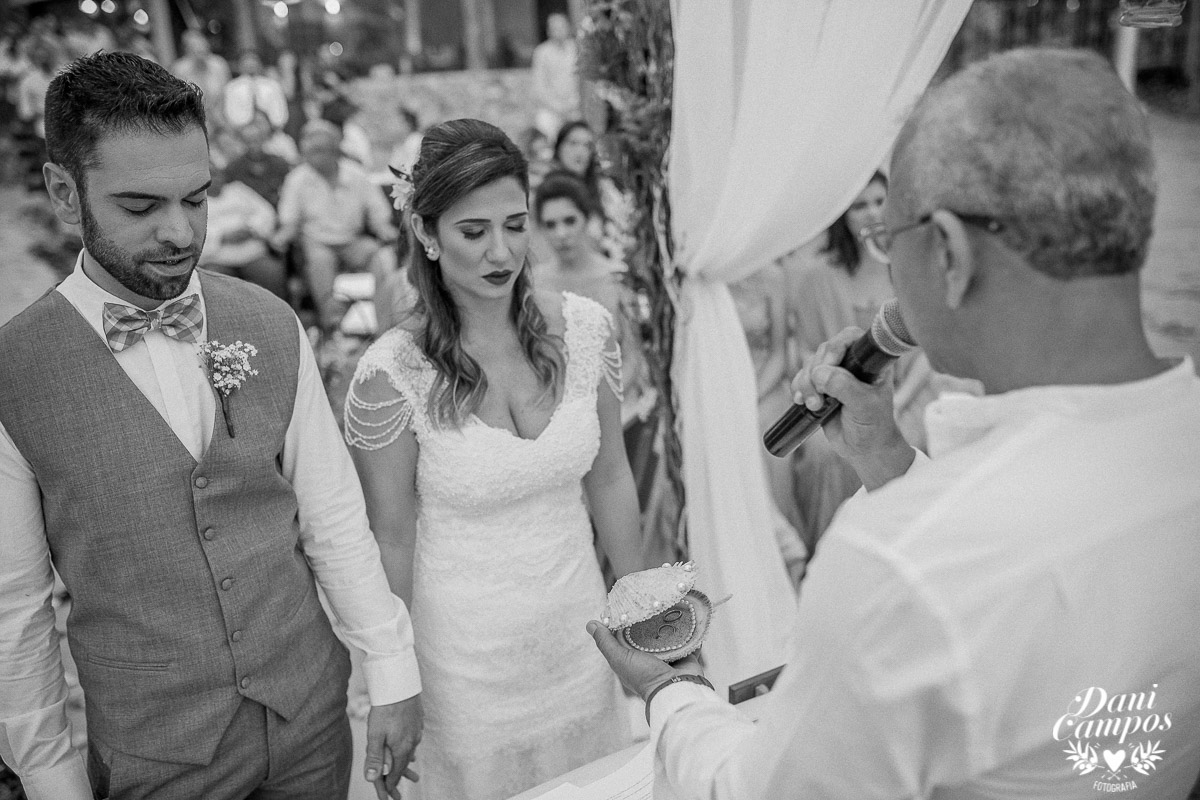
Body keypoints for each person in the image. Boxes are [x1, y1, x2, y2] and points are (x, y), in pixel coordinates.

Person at [589, 47, 1200, 799]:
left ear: (945, 249)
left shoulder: (900, 562)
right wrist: (891, 467)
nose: (885, 266)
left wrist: (669, 694)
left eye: (891, 241)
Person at [0, 52, 422, 800]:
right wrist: (49, 775)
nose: (178, 231)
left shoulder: (268, 322)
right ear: (66, 193)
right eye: (140, 206)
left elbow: (331, 517)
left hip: (311, 726)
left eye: (197, 199)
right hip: (155, 759)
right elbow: (17, 606)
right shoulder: (15, 372)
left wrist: (390, 670)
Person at [344, 118, 644, 800]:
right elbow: (390, 538)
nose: (501, 251)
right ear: (425, 232)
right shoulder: (393, 373)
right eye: (473, 232)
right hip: (466, 673)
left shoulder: (587, 329)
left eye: (515, 224)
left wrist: (640, 611)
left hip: (580, 643)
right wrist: (392, 685)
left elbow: (612, 477)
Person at [785, 172, 978, 551]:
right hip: (844, 396)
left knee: (916, 431)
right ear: (843, 216)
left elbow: (926, 348)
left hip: (910, 389)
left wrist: (899, 401)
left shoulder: (911, 268)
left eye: (879, 202)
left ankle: (908, 547)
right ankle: (832, 549)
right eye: (859, 206)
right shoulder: (816, 279)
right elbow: (811, 350)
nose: (872, 213)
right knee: (824, 453)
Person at [272, 120, 398, 334]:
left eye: (319, 150)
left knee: (384, 257)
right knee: (320, 261)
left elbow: (378, 212)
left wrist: (383, 227)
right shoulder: (297, 179)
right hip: (317, 243)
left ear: (334, 151)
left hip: (352, 241)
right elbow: (289, 220)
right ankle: (334, 327)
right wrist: (282, 235)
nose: (312, 155)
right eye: (309, 150)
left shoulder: (356, 174)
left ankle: (385, 323)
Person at [198, 165, 287, 299]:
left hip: (251, 252)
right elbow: (194, 233)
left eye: (216, 174)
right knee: (213, 287)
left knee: (272, 273)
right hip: (217, 259)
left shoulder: (238, 190)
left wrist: (251, 228)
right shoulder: (195, 202)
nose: (213, 179)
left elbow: (266, 212)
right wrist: (222, 237)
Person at [531, 13, 580, 140]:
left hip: (574, 107)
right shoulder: (541, 52)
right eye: (554, 28)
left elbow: (582, 81)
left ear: (568, 28)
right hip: (550, 109)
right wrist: (557, 107)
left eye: (562, 27)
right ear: (548, 31)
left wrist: (573, 103)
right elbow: (539, 86)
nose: (559, 31)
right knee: (544, 127)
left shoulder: (576, 49)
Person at [170, 29, 230, 123]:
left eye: (203, 47)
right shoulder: (179, 69)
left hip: (221, 117)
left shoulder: (219, 64)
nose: (200, 52)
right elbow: (180, 101)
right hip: (193, 119)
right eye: (194, 48)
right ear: (187, 50)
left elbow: (227, 93)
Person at [223, 51, 288, 131]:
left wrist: (273, 127)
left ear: (260, 64)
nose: (250, 65)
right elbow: (230, 113)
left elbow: (280, 112)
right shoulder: (231, 87)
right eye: (246, 63)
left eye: (253, 62)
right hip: (240, 133)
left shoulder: (273, 85)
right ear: (239, 66)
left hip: (271, 130)